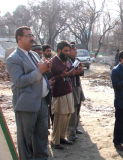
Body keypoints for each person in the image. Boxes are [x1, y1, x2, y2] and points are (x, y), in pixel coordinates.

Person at [6, 26, 51, 160]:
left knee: (42, 137)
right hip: (27, 105)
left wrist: (46, 68)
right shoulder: (13, 59)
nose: (32, 38)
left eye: (32, 35)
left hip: (42, 102)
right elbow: (19, 81)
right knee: (25, 141)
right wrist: (39, 71)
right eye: (28, 36)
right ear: (19, 38)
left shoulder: (34, 54)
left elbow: (40, 74)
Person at [50, 40, 81, 150]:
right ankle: (55, 141)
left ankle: (62, 137)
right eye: (65, 51)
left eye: (69, 50)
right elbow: (50, 80)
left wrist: (73, 73)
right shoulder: (53, 62)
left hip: (68, 91)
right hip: (59, 94)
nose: (68, 53)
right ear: (59, 50)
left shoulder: (66, 60)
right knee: (59, 118)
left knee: (67, 116)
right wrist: (61, 76)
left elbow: (68, 74)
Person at [67, 43, 85, 141]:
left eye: (75, 49)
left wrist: (79, 71)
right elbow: (66, 74)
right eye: (73, 49)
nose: (75, 51)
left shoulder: (77, 60)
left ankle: (75, 128)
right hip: (71, 87)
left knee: (78, 107)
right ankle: (70, 132)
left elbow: (81, 73)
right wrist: (74, 73)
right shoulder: (67, 61)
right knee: (73, 110)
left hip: (78, 86)